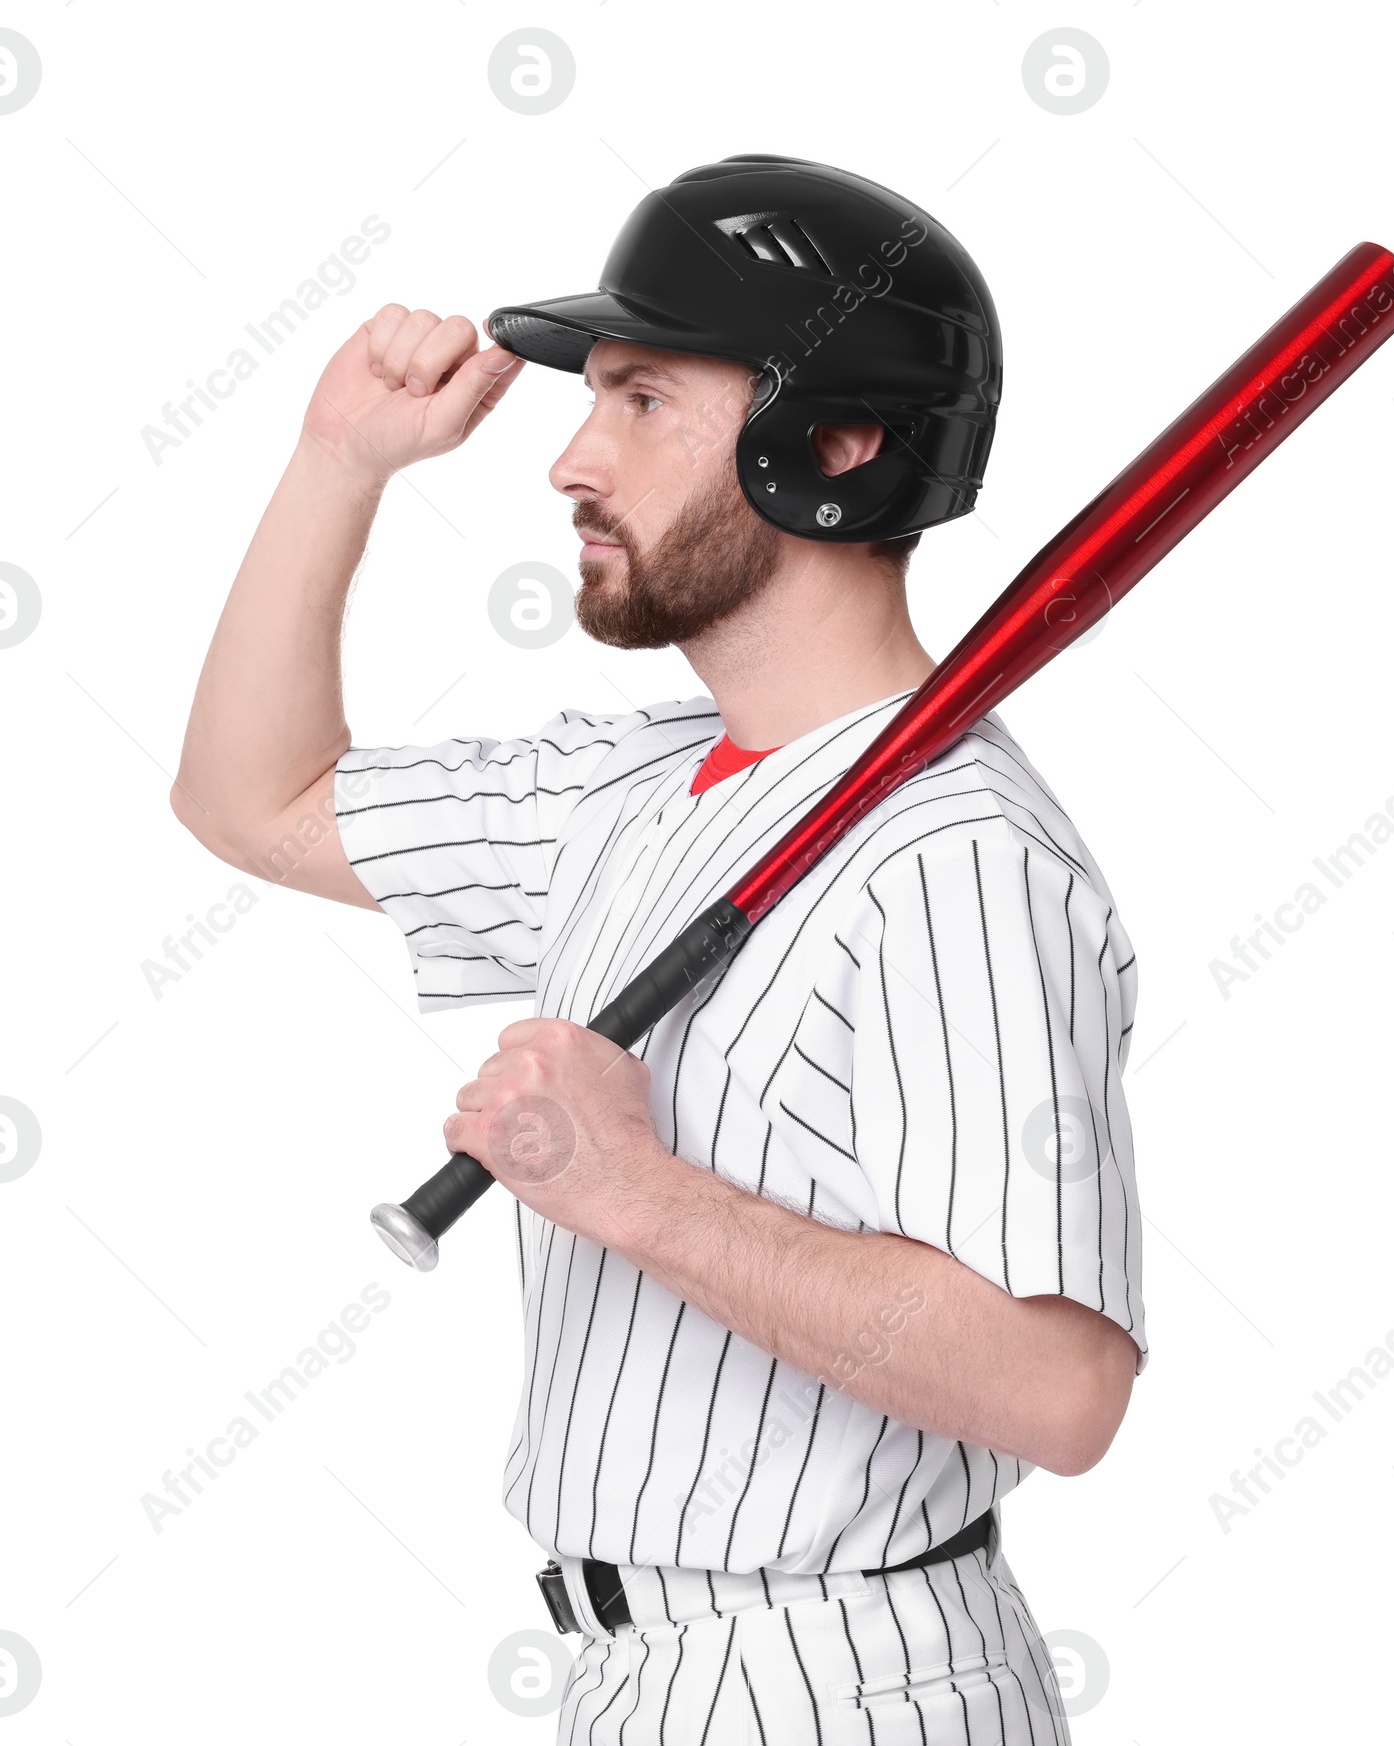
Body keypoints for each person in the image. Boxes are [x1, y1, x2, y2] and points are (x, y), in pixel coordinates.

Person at [173, 154, 1146, 1745]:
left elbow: (1059, 1387)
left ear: (835, 442)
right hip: (641, 1673)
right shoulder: (629, 782)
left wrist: (630, 1189)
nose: (567, 457)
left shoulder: (967, 859)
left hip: (849, 1680)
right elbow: (251, 800)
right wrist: (338, 465)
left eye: (639, 400)